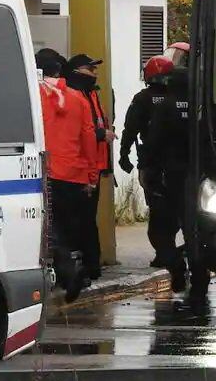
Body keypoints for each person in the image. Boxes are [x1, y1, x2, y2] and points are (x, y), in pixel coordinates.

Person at [35, 47, 94, 302]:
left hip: (46, 174)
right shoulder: (78, 98)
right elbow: (88, 137)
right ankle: (72, 268)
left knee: (51, 231)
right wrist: (91, 175)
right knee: (67, 229)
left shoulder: (35, 95)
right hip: (74, 174)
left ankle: (68, 273)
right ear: (60, 70)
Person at [143, 61, 195, 293]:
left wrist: (146, 169)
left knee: (160, 231)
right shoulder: (200, 107)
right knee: (194, 232)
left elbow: (152, 142)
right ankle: (199, 278)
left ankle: (175, 265)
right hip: (197, 181)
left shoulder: (165, 107)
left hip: (167, 179)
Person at [120, 55, 175, 268]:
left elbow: (130, 128)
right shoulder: (183, 98)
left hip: (152, 163)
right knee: (176, 207)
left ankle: (164, 251)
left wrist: (123, 154)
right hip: (181, 163)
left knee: (157, 208)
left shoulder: (142, 99)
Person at [65, 53, 115, 280]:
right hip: (79, 170)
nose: (94, 73)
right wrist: (100, 134)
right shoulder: (73, 96)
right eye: (90, 68)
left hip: (94, 167)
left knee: (87, 220)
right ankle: (83, 266)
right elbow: (78, 132)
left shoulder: (92, 94)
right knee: (80, 222)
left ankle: (91, 265)